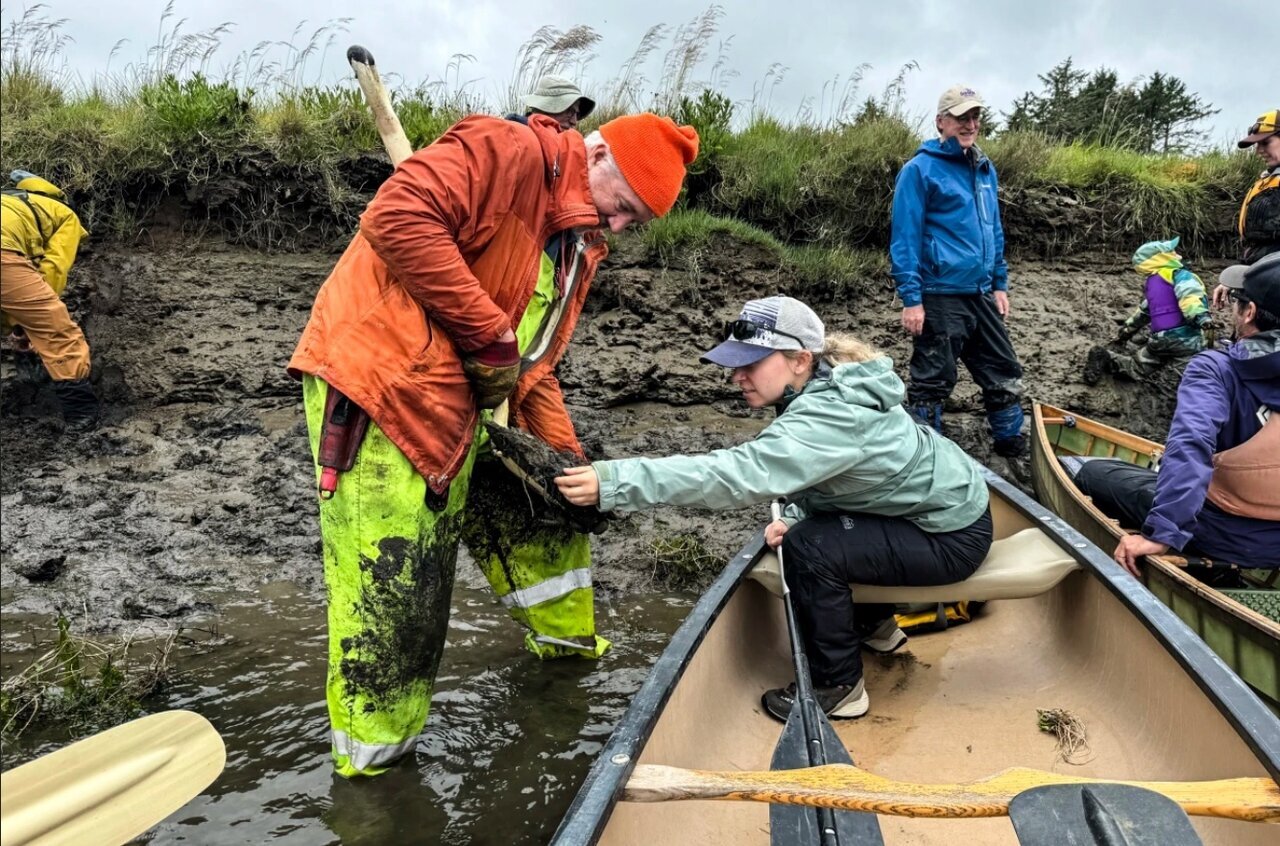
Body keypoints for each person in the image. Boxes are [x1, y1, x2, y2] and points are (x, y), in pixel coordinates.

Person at [288, 111, 697, 777]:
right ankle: (374, 777)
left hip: (471, 404)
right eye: (624, 206)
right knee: (398, 599)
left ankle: (567, 666)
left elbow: (533, 367)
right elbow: (396, 216)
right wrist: (489, 335)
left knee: (553, 524)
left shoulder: (577, 245)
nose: (621, 227)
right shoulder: (506, 151)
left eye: (636, 221)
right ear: (597, 155)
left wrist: (569, 463)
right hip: (387, 392)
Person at [554, 296, 993, 721]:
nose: (737, 377)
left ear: (800, 360)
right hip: (936, 511)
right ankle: (876, 629)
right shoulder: (833, 385)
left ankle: (838, 689)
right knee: (811, 530)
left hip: (948, 535)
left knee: (809, 549)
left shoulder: (829, 414)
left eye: (751, 364)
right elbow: (847, 477)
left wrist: (616, 481)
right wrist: (799, 513)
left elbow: (734, 474)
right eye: (735, 365)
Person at [1074, 251, 1280, 577]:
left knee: (1090, 472)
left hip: (1226, 535)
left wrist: (1162, 534)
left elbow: (1191, 443)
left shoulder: (1216, 369)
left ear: (1249, 312)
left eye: (1237, 301)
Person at [890, 85, 1026, 460]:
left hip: (980, 292)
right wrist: (912, 299)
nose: (970, 124)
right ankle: (923, 456)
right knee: (933, 380)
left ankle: (1011, 448)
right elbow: (905, 238)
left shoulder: (984, 168)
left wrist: (999, 283)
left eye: (975, 116)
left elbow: (993, 229)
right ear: (941, 122)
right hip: (939, 292)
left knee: (1003, 370)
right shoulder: (918, 170)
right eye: (961, 117)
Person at [1, 169, 99, 432]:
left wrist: (15, 324)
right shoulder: (63, 213)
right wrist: (30, 322)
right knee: (57, 332)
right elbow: (53, 269)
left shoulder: (9, 205)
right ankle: (81, 416)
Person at [1083, 237, 1211, 385]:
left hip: (1158, 340)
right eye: (1172, 252)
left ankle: (1108, 358)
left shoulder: (1152, 283)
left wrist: (1125, 332)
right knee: (1195, 371)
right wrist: (1202, 318)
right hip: (1185, 338)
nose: (1179, 255)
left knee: (1137, 367)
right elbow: (1190, 297)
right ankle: (1184, 390)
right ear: (1160, 258)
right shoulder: (1180, 275)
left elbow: (1142, 313)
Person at [1212, 110, 1279, 308]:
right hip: (1264, 281)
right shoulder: (1268, 181)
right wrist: (1239, 276)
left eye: (1265, 142)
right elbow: (1261, 244)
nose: (1259, 150)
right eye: (1257, 144)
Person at [522, 75, 595, 130]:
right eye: (569, 111)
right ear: (543, 110)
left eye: (577, 114)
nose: (574, 121)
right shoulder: (519, 140)